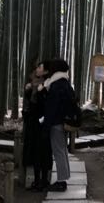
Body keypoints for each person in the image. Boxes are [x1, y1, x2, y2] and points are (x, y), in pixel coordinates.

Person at [41, 58, 76, 192]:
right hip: (63, 122)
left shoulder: (56, 85)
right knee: (62, 150)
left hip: (56, 123)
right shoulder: (65, 83)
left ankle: (61, 182)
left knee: (59, 152)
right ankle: (64, 177)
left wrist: (46, 126)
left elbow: (52, 108)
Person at [22, 61, 52, 191]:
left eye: (40, 67)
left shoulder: (47, 85)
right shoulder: (34, 83)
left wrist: (40, 92)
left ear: (45, 71)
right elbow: (31, 103)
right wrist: (28, 91)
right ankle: (36, 180)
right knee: (34, 151)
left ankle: (44, 181)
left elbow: (45, 105)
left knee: (42, 152)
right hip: (33, 123)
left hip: (42, 124)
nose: (37, 69)